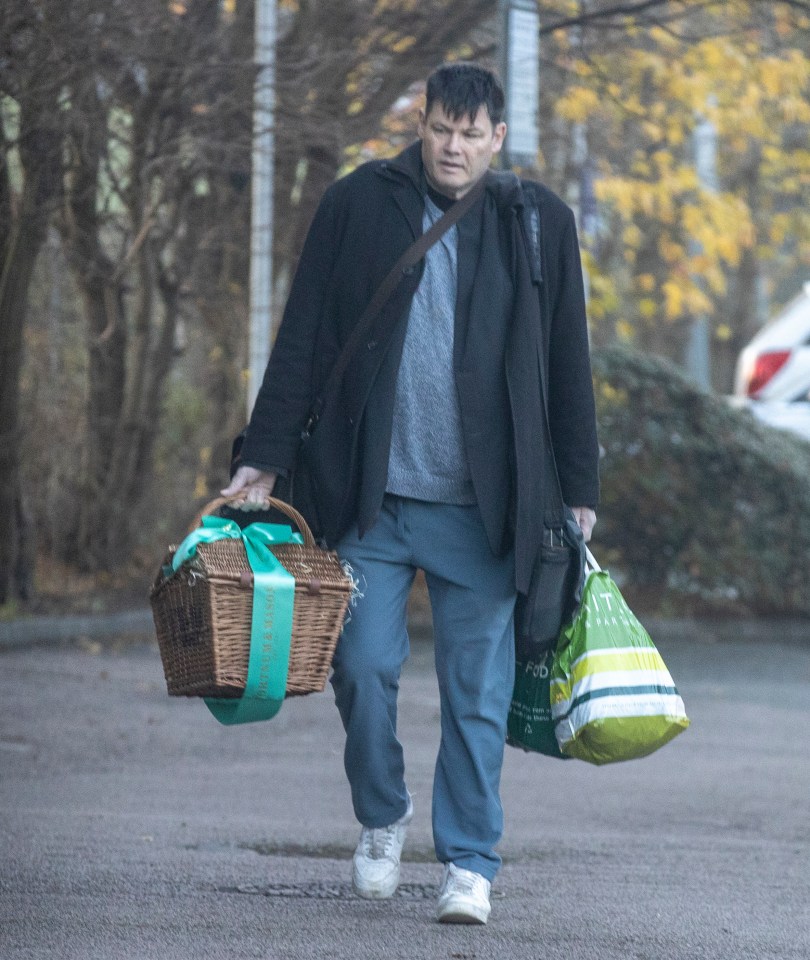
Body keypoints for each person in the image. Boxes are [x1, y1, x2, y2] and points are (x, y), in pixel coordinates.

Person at [222, 62, 599, 925]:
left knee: (475, 692)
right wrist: (265, 456)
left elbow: (566, 362)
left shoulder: (535, 222)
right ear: (420, 125)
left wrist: (579, 487)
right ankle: (382, 817)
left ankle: (470, 860)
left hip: (484, 508)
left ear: (497, 138)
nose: (452, 146)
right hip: (372, 499)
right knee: (360, 667)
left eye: (470, 133)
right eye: (440, 128)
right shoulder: (359, 205)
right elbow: (305, 335)